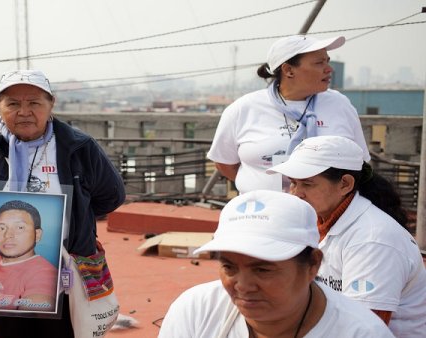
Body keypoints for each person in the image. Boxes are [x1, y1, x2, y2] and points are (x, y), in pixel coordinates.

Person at [0, 69, 126, 337]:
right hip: (0, 288)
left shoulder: (79, 147)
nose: (24, 111)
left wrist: (76, 218)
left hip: (65, 282)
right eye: (12, 103)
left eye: (34, 103)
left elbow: (112, 195)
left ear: (51, 104)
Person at [159, 190, 394, 338]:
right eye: (229, 267)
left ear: (313, 264)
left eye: (262, 269)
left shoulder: (361, 332)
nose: (242, 286)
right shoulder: (195, 310)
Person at [267, 135, 426, 337]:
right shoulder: (319, 221)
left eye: (307, 184)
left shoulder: (373, 240)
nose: (296, 193)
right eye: (293, 183)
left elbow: (364, 329)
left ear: (345, 184)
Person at [207, 35, 370, 194]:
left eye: (327, 61)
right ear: (288, 70)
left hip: (326, 217)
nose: (329, 69)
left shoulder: (340, 105)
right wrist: (258, 186)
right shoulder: (243, 108)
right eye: (319, 63)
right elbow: (224, 163)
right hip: (264, 212)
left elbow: (359, 160)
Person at [0, 200, 57, 311]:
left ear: (37, 234)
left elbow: (38, 307)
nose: (8, 235)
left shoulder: (44, 273)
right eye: (1, 228)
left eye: (20, 228)